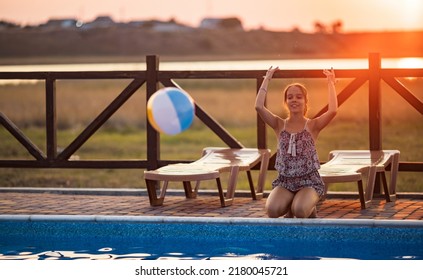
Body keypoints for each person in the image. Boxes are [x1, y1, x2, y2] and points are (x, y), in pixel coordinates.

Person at [255, 66, 337, 218]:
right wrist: (267, 79)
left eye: (299, 97)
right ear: (285, 101)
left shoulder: (313, 125)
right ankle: (293, 203)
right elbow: (258, 106)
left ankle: (306, 207)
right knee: (272, 211)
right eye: (290, 97)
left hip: (309, 182)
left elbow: (332, 110)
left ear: (306, 101)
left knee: (299, 211)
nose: (294, 100)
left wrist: (330, 82)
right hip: (285, 182)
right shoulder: (279, 124)